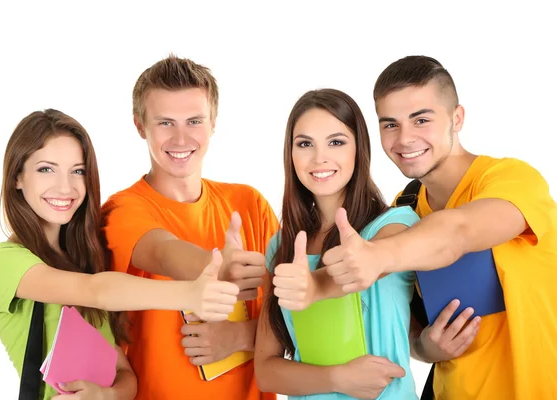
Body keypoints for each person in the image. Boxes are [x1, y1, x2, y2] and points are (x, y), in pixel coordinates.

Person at [303, 56, 557, 399]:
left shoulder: (512, 180)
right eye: (389, 124)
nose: (404, 138)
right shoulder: (402, 209)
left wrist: (380, 256)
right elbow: (405, 326)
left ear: (457, 118)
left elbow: (459, 231)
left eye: (421, 119)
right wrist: (426, 347)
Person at [0, 109, 240, 400]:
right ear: (17, 177)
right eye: (46, 169)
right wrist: (190, 294)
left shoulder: (84, 262)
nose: (65, 186)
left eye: (77, 171)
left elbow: (125, 374)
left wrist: (103, 396)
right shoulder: (5, 261)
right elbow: (93, 291)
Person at [100, 55, 279, 400]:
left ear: (213, 123)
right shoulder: (121, 210)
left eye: (194, 121)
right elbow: (164, 253)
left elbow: (295, 317)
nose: (181, 138)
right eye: (165, 123)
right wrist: (218, 267)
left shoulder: (250, 204)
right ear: (140, 126)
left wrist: (241, 336)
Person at [253, 88, 420, 400]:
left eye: (336, 142)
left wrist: (312, 285)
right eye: (305, 144)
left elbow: (355, 270)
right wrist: (337, 378)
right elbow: (266, 372)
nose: (320, 158)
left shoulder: (395, 225)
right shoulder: (282, 247)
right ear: (290, 154)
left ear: (359, 149)